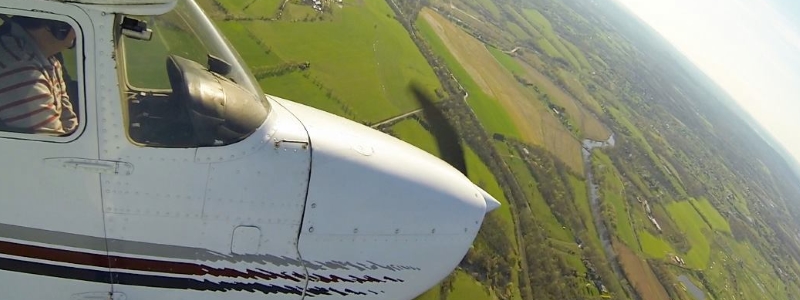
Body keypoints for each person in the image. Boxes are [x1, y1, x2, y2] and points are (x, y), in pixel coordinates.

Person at [0, 16, 78, 135]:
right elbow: (51, 142)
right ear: (60, 27)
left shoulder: (49, 59)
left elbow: (69, 123)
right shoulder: (21, 67)